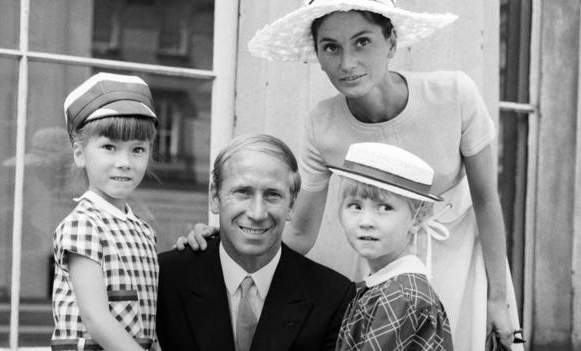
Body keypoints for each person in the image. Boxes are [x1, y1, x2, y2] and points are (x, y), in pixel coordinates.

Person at [180, 1, 523, 350]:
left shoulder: (454, 93)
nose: (347, 63)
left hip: (463, 250)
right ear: (317, 53)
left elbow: (485, 199)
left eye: (362, 42)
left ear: (391, 41)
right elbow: (300, 234)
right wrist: (222, 240)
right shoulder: (322, 122)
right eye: (331, 47)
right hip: (384, 257)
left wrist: (498, 299)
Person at [156, 134, 355, 351]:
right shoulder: (164, 279)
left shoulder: (333, 297)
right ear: (215, 196)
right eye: (243, 192)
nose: (257, 213)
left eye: (272, 195)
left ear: (291, 205)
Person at [51, 72, 159, 351]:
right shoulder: (83, 225)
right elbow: (96, 319)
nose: (124, 162)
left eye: (137, 149)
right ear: (79, 153)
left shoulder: (143, 230)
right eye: (109, 147)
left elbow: (148, 322)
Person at [330, 142, 453, 350]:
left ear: (417, 218)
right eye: (355, 206)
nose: (366, 221)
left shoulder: (402, 296)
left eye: (385, 208)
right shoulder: (384, 286)